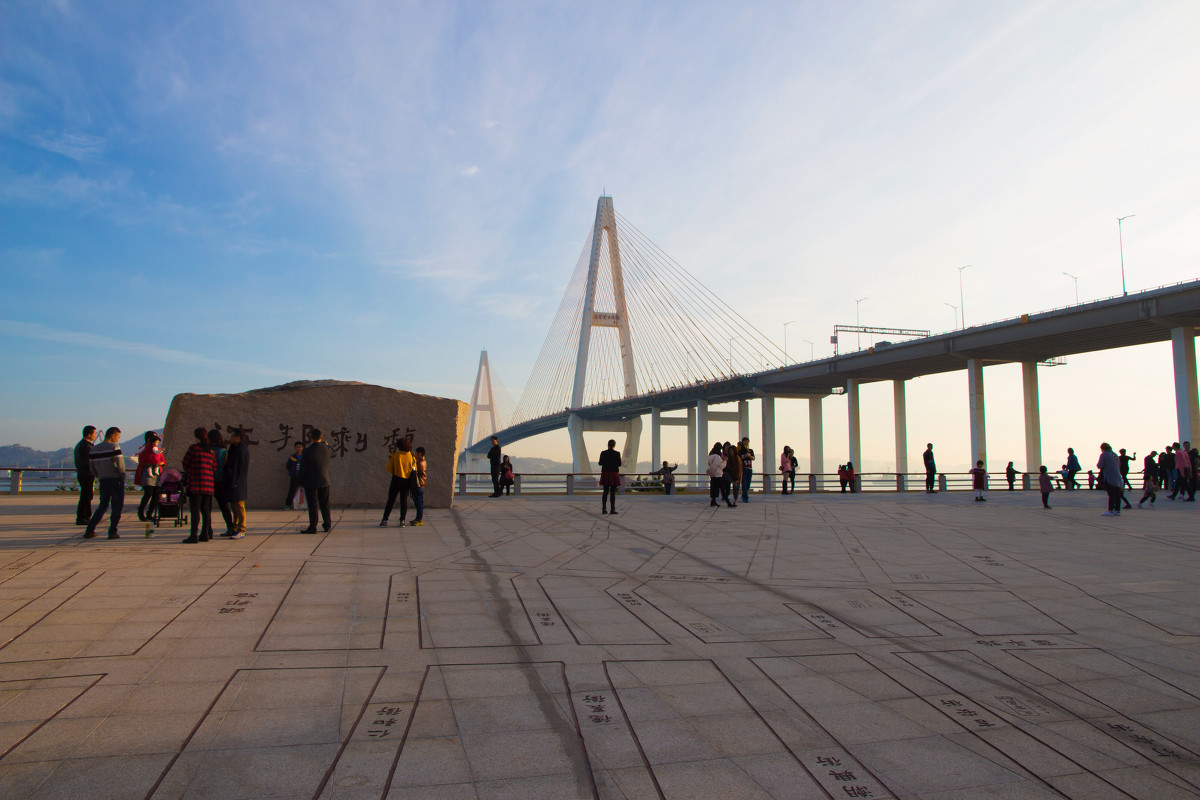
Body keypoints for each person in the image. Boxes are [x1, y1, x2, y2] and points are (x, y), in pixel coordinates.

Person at [84, 427, 125, 540]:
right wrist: (122, 476)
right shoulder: (114, 447)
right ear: (112, 435)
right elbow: (120, 465)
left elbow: (92, 467)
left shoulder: (94, 449)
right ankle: (112, 531)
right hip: (115, 479)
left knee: (103, 505)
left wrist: (99, 475)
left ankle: (90, 529)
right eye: (117, 437)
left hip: (103, 480)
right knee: (116, 507)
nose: (117, 439)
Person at [181, 427, 217, 543]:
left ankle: (193, 535)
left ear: (197, 437)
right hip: (208, 485)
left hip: (195, 484)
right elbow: (214, 467)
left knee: (195, 511)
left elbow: (185, 463)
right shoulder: (211, 451)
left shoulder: (194, 449)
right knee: (206, 510)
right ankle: (205, 534)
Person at [299, 428, 332, 533]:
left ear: (311, 437)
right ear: (321, 437)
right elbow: (333, 453)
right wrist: (327, 445)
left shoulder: (307, 451)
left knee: (313, 505)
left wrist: (301, 481)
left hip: (311, 481)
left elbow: (303, 468)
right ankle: (327, 525)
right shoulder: (326, 449)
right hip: (324, 480)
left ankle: (313, 526)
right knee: (325, 503)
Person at [380, 439, 416, 527]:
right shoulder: (411, 456)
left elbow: (389, 469)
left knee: (391, 500)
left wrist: (392, 457)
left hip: (396, 480)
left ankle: (385, 520)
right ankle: (402, 520)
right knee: (403, 501)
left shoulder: (396, 456)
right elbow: (414, 468)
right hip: (407, 481)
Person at [222, 428, 249, 539]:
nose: (231, 438)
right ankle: (234, 528)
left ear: (238, 438)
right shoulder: (234, 448)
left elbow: (238, 468)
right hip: (232, 481)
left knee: (239, 506)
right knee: (234, 506)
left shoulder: (241, 450)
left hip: (238, 482)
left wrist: (235, 482)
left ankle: (241, 529)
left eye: (233, 436)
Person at [134, 431, 165, 522]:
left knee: (156, 494)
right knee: (148, 493)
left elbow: (163, 460)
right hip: (147, 473)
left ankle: (150, 514)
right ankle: (141, 511)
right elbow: (142, 460)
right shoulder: (143, 449)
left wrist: (160, 463)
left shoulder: (157, 449)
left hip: (156, 473)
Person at [208, 430, 234, 536]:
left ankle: (208, 529)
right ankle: (230, 527)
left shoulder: (209, 451)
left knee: (206, 508)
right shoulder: (224, 451)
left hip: (209, 481)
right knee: (225, 507)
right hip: (222, 481)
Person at [74, 425, 98, 525]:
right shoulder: (87, 446)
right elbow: (89, 462)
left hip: (82, 473)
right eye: (94, 433)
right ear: (89, 434)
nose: (95, 435)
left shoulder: (79, 445)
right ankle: (83, 517)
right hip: (87, 473)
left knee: (86, 495)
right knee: (86, 496)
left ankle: (85, 516)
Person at [1098, 443, 1122, 516]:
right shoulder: (1115, 455)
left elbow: (1100, 465)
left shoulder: (1104, 454)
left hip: (1109, 476)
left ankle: (1110, 510)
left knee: (1111, 494)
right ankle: (1117, 510)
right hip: (1117, 476)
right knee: (1117, 494)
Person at [598, 439, 622, 514]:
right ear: (614, 445)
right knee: (612, 492)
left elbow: (600, 463)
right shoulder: (617, 453)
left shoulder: (603, 453)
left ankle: (604, 509)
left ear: (608, 445)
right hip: (614, 473)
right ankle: (612, 509)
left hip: (606, 473)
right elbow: (619, 464)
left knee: (605, 492)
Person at [411, 446, 428, 526]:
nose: (415, 454)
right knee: (419, 502)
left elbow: (412, 469)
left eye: (416, 452)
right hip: (420, 484)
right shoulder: (423, 461)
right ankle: (418, 518)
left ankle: (419, 519)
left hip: (418, 484)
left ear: (420, 453)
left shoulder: (419, 463)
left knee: (419, 503)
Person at [707, 443, 727, 507]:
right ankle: (728, 502)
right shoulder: (717, 457)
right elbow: (721, 466)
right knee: (722, 489)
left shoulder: (710, 456)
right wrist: (725, 461)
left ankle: (713, 502)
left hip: (712, 475)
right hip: (718, 475)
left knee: (713, 489)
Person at [284, 442, 303, 509]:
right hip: (294, 476)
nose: (298, 449)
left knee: (304, 491)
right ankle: (288, 505)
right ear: (295, 448)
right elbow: (288, 465)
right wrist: (291, 472)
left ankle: (305, 505)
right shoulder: (292, 457)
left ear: (302, 448)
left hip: (303, 477)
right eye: (297, 447)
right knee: (292, 491)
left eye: (300, 447)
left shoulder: (304, 457)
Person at [724, 442, 742, 507]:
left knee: (736, 489)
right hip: (731, 474)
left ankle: (735, 501)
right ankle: (732, 482)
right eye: (729, 451)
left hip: (737, 476)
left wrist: (737, 478)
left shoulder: (737, 458)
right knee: (725, 474)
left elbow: (738, 469)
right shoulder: (729, 458)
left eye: (731, 451)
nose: (730, 452)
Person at [739, 438, 755, 503]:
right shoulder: (740, 450)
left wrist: (748, 455)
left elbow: (753, 458)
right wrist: (745, 456)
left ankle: (744, 494)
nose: (746, 442)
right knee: (744, 483)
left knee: (748, 483)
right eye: (744, 441)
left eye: (747, 441)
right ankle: (745, 497)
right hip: (743, 469)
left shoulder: (750, 450)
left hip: (749, 468)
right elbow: (740, 457)